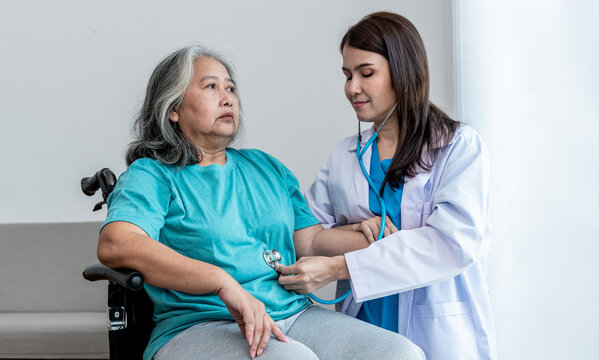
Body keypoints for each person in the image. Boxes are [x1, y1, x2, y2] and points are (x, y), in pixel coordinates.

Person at [97, 44, 424, 360]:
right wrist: (224, 283)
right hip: (200, 324)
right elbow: (117, 244)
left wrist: (370, 235)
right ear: (173, 109)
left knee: (400, 353)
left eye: (231, 88)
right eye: (211, 87)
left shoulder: (265, 167)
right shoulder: (153, 175)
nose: (227, 98)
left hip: (295, 315)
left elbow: (309, 241)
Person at [276, 12, 497, 360]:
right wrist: (348, 232)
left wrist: (338, 266)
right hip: (364, 327)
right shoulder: (345, 155)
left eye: (366, 73)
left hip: (436, 328)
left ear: (403, 70)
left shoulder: (458, 147)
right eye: (347, 75)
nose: (352, 88)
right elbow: (304, 233)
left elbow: (450, 244)